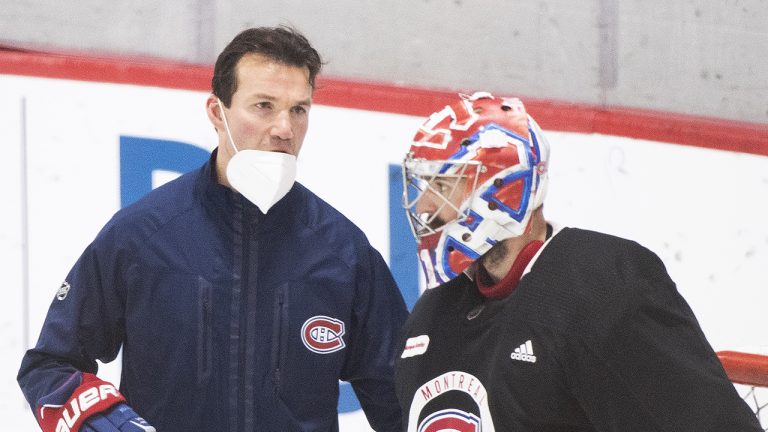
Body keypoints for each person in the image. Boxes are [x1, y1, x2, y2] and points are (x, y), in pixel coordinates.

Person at [18, 26, 409, 432]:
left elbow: (403, 402)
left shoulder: (344, 252)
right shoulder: (142, 235)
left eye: (298, 109)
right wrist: (107, 423)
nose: (284, 130)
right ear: (215, 112)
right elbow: (49, 366)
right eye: (263, 105)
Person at [393, 91, 761, 431]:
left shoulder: (601, 289)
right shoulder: (431, 320)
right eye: (426, 189)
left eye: (442, 188)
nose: (425, 207)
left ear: (505, 190)